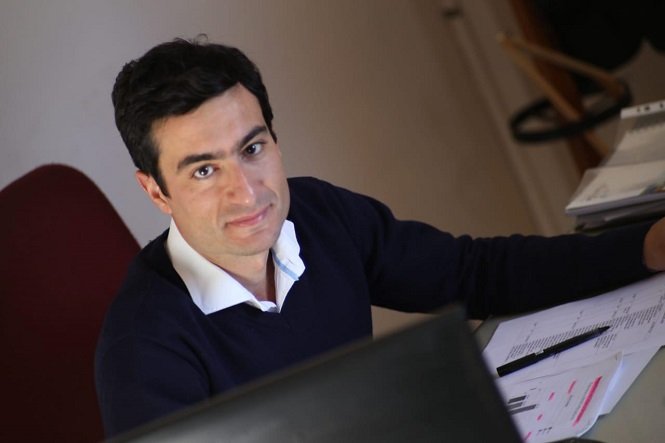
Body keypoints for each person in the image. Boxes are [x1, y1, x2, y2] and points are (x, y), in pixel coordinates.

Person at [95, 36, 665, 437]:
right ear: (156, 192)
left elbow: (473, 272)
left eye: (253, 148)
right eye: (203, 170)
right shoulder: (143, 351)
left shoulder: (318, 214)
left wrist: (644, 247)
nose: (247, 193)